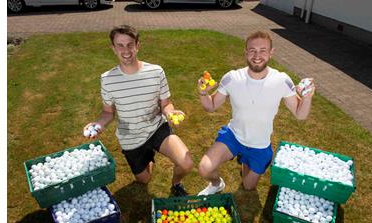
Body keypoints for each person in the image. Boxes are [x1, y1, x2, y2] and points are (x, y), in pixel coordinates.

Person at [196, 30, 315, 195]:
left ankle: (246, 160)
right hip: (234, 136)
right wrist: (203, 93)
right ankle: (217, 184)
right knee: (204, 168)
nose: (257, 55)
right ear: (246, 52)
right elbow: (211, 107)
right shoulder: (232, 78)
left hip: (259, 144)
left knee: (248, 186)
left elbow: (300, 114)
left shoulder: (281, 80)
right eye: (252, 50)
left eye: (263, 51)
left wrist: (307, 98)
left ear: (271, 53)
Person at [84, 25, 193, 196]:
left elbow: (165, 104)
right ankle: (147, 157)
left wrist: (171, 113)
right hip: (130, 137)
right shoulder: (107, 79)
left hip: (156, 128)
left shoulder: (156, 72)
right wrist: (97, 124)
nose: (125, 50)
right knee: (144, 180)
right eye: (120, 45)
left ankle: (176, 184)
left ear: (137, 45)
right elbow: (108, 113)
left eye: (130, 44)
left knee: (186, 163)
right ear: (113, 48)